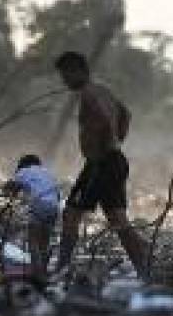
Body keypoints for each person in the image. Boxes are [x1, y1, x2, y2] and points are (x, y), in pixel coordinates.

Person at [52, 51, 149, 279]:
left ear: (80, 72)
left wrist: (104, 148)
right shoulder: (102, 90)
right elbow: (126, 113)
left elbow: (105, 119)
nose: (64, 80)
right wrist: (116, 142)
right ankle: (144, 269)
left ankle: (60, 270)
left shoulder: (89, 94)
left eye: (67, 74)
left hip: (102, 164)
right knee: (117, 220)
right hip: (113, 161)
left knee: (71, 213)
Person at [4, 153, 60, 281]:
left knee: (33, 240)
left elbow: (9, 188)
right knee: (44, 242)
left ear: (22, 165)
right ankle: (44, 271)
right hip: (54, 206)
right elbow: (56, 193)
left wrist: (8, 195)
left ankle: (37, 275)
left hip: (39, 204)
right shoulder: (47, 172)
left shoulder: (24, 171)